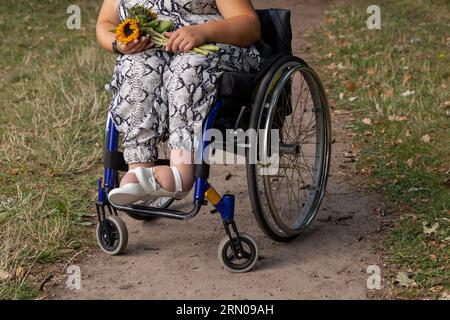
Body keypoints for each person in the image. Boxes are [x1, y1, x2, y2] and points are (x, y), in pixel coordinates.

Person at [96, 0, 261, 205]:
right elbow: (105, 22)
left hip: (211, 47)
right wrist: (117, 43)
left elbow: (249, 24)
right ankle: (139, 166)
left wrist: (202, 32)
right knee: (137, 67)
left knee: (185, 69)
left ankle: (181, 172)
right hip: (153, 53)